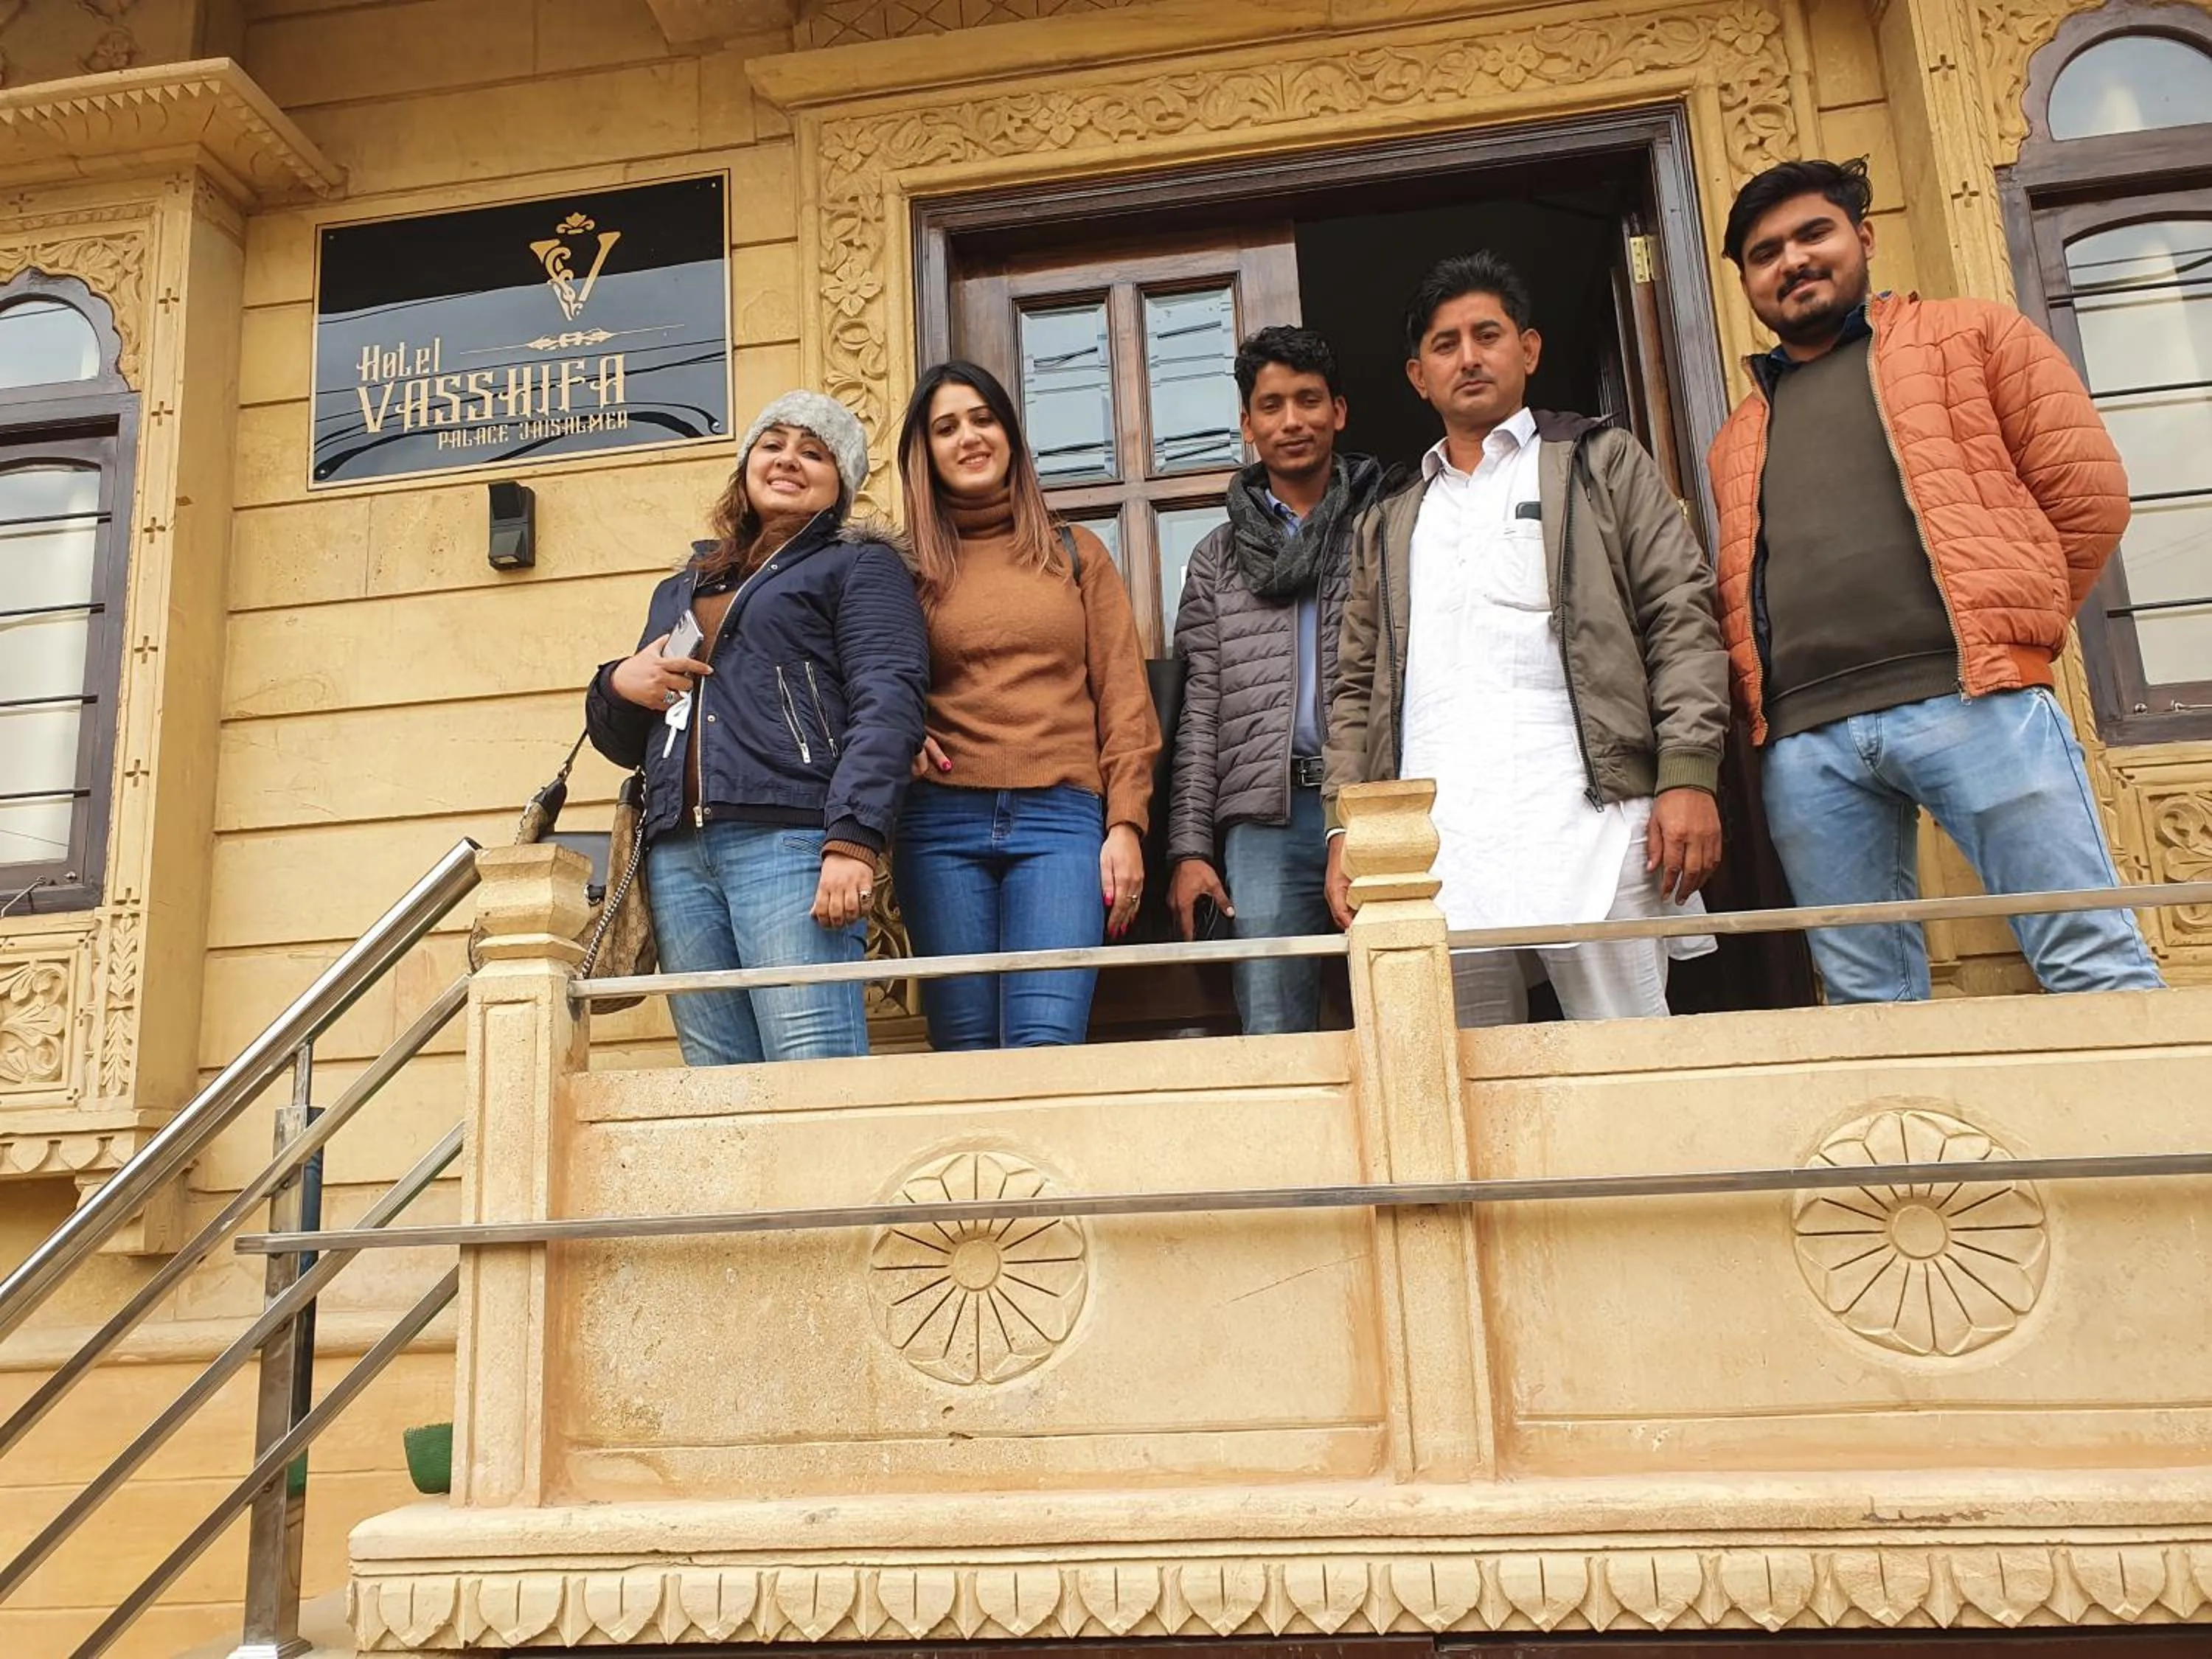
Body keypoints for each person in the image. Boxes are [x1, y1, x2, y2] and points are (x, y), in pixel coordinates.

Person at [1708, 158, 2163, 1001]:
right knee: (1868, 1005)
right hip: (1807, 744)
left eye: (1813, 234)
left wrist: (2006, 632)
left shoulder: (1972, 335)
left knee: (2090, 959)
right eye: (1766, 253)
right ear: (1747, 283)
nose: (1793, 261)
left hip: (1976, 702)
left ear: (1864, 237)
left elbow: (2089, 497)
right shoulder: (1738, 433)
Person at [1322, 253, 1729, 1026]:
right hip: (1437, 845)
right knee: (1456, 1065)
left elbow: (1680, 612)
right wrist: (1350, 827)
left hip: (1593, 824)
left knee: (1626, 1052)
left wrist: (1688, 773)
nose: (1469, 358)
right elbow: (1354, 688)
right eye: (1445, 345)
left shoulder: (1598, 462)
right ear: (1418, 376)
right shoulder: (1392, 519)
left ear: (1529, 350)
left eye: (1488, 335)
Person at [585, 391, 928, 1065]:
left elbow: (889, 702)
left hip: (791, 842)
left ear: (840, 483)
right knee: (719, 1082)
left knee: (812, 1070)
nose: (788, 460)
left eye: (814, 453)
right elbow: (627, 744)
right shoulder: (682, 587)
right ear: (746, 466)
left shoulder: (858, 565)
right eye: (772, 445)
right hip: (678, 856)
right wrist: (618, 684)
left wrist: (854, 840)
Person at [894, 361, 1162, 1048]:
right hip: (939, 823)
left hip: (1062, 821)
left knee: (1047, 1044)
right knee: (966, 1053)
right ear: (925, 453)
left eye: (983, 419)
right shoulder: (902, 567)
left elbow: (1124, 698)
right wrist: (900, 731)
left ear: (1010, 435)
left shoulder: (1075, 552)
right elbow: (861, 678)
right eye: (946, 428)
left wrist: (1126, 823)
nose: (969, 438)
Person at [1167, 326, 1384, 1034]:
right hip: (1264, 818)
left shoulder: (1385, 527)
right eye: (1272, 406)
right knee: (1273, 1030)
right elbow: (1200, 713)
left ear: (1339, 411)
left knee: (1401, 1011)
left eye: (1308, 400)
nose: (1292, 421)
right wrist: (1190, 849)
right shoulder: (1216, 559)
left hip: (1377, 802)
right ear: (1248, 424)